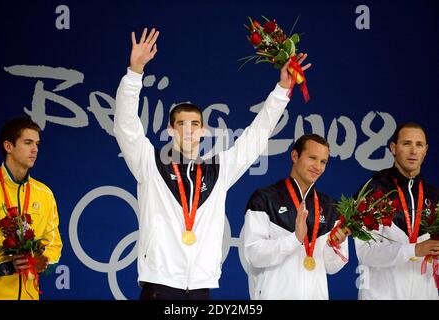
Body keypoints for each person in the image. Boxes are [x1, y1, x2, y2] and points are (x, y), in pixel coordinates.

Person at [114, 27, 311, 300]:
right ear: (170, 131)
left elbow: (256, 136)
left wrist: (282, 90)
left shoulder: (218, 170)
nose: (188, 129)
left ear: (204, 130)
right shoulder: (150, 164)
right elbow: (126, 127)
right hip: (159, 283)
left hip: (201, 286)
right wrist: (134, 73)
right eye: (181, 124)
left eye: (195, 124)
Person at [243, 134, 351, 299]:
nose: (318, 166)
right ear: (295, 156)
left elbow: (332, 267)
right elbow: (254, 255)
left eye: (323, 162)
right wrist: (294, 239)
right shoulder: (265, 198)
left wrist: (332, 245)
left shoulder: (331, 207)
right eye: (312, 158)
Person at [354, 122, 439, 300]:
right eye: (406, 143)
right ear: (393, 148)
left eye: (419, 145)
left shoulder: (434, 196)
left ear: (426, 150)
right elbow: (366, 253)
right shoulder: (374, 191)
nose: (413, 151)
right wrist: (413, 250)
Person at [0, 116, 63, 300]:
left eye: (37, 144)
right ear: (9, 146)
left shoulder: (44, 193)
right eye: (28, 142)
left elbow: (54, 242)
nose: (35, 149)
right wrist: (4, 266)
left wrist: (43, 261)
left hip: (30, 295)